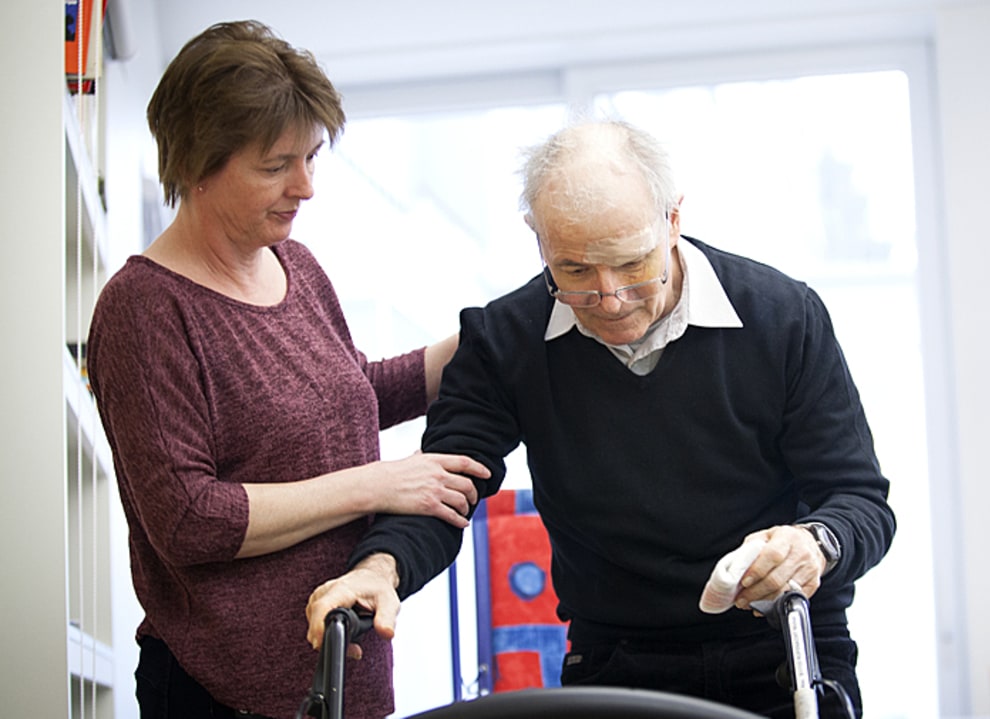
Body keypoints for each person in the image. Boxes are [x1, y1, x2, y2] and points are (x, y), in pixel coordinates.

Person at [305, 119, 896, 718]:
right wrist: (381, 568)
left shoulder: (782, 317)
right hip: (617, 656)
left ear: (672, 220)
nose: (610, 299)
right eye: (576, 271)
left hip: (782, 647)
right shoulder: (505, 340)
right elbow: (444, 486)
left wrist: (815, 543)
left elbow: (859, 499)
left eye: (631, 263)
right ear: (538, 242)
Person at [86, 20, 489, 719]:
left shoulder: (294, 265)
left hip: (345, 666)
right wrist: (377, 484)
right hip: (223, 692)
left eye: (311, 158)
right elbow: (188, 518)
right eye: (275, 166)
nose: (304, 187)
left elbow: (353, 394)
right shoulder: (144, 308)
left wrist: (492, 334)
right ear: (196, 164)